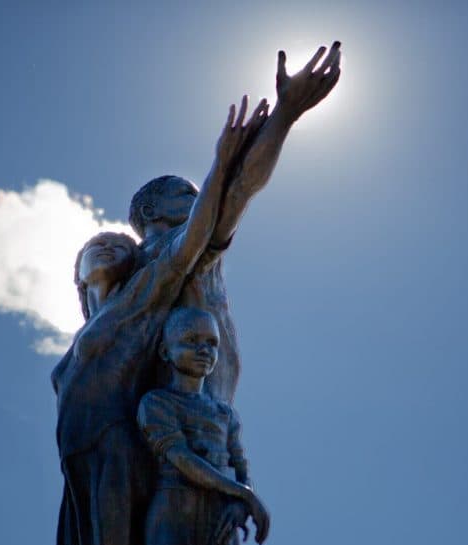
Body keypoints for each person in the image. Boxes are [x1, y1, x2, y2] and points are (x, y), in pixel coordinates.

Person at [52, 101, 264, 545]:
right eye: (184, 193)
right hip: (102, 462)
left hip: (176, 448)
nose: (108, 251)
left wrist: (270, 130)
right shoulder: (124, 294)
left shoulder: (168, 263)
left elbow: (231, 201)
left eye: (113, 247)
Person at [131, 41, 343, 405]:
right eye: (185, 194)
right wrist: (285, 115)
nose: (198, 200)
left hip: (214, 413)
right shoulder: (164, 254)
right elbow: (241, 188)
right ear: (151, 212)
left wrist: (284, 116)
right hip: (182, 422)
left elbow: (239, 187)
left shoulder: (187, 251)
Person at [136, 307, 270, 545]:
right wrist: (243, 494)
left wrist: (241, 500)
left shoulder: (225, 415)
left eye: (211, 343)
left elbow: (241, 466)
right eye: (191, 341)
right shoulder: (156, 403)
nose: (204, 350)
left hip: (218, 523)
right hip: (173, 515)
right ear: (166, 352)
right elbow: (179, 457)